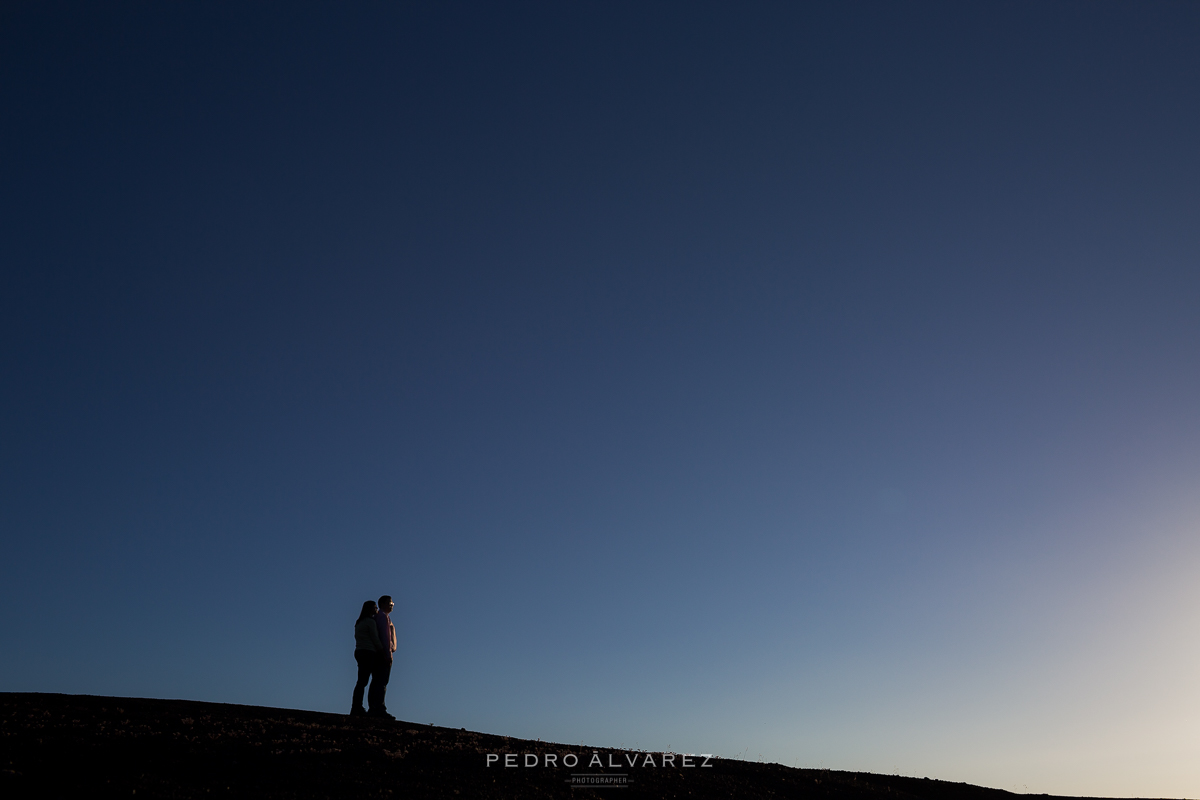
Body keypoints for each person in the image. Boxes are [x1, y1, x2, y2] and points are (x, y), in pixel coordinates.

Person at [351, 601, 386, 716]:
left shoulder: (359, 622)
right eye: (375, 607)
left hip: (359, 651)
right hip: (369, 652)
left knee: (361, 681)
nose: (377, 609)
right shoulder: (370, 622)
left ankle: (356, 706)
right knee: (367, 681)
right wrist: (382, 650)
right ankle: (363, 707)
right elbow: (374, 638)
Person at [369, 595, 398, 719]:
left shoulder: (382, 617)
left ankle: (375, 707)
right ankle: (379, 708)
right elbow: (385, 637)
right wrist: (388, 654)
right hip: (383, 654)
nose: (392, 605)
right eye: (390, 603)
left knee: (377, 681)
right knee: (381, 682)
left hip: (380, 653)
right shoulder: (382, 618)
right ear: (384, 604)